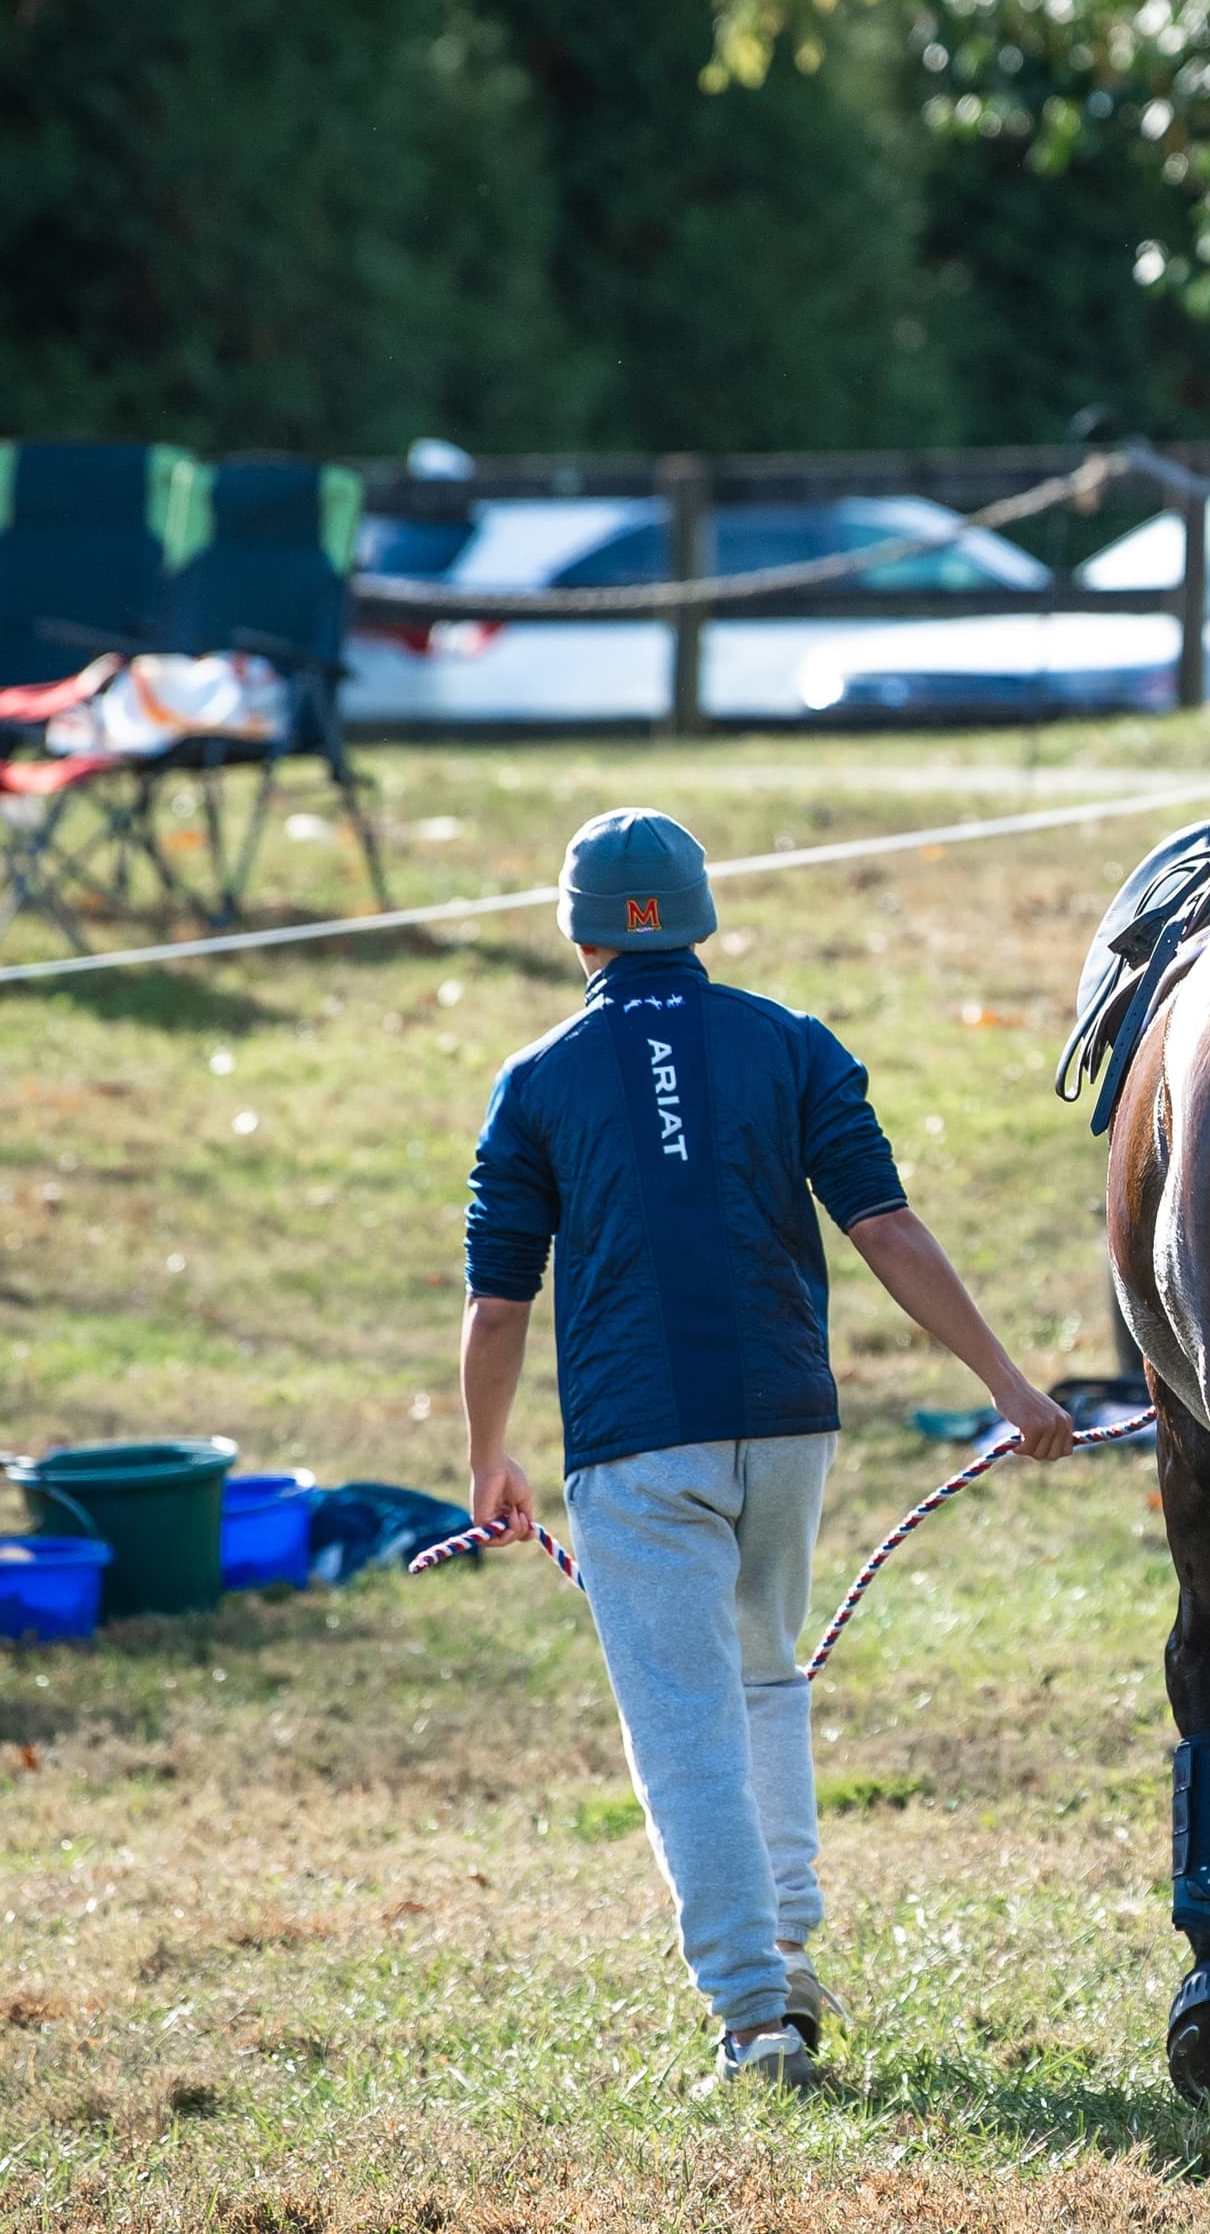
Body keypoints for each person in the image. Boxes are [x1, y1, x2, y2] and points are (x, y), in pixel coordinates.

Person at [458, 807, 1076, 2094]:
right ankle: (786, 1954)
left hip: (637, 1450)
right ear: (701, 916)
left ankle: (753, 2019)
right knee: (761, 1678)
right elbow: (886, 1227)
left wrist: (489, 1460)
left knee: (684, 1722)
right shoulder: (791, 1044)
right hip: (790, 1428)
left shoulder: (535, 1083)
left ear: (575, 930)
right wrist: (1011, 1386)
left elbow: (499, 1303)